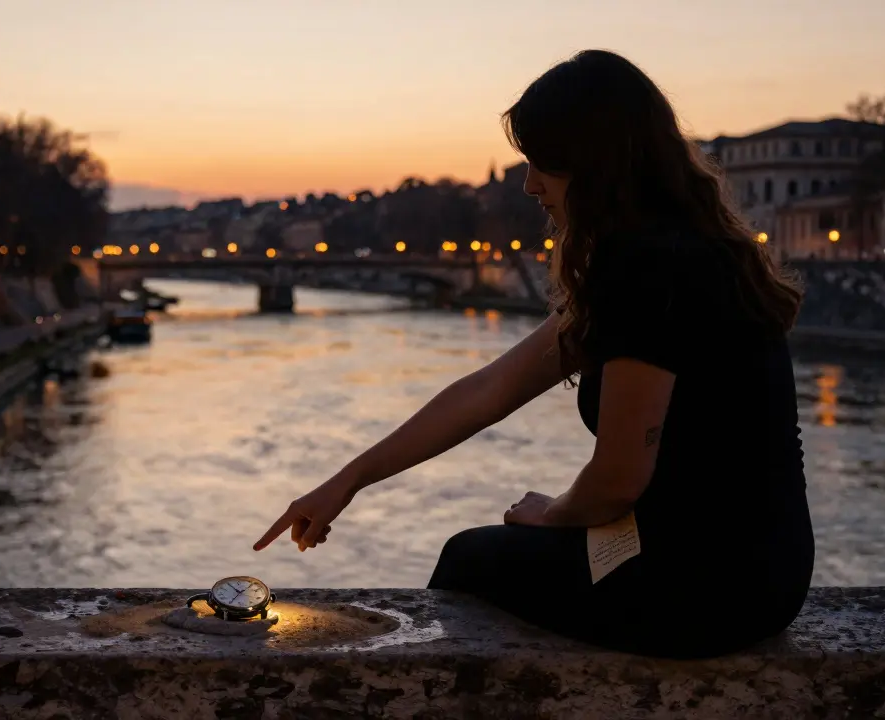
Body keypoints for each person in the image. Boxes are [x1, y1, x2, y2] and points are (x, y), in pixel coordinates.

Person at [254, 50, 813, 660]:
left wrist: (555, 514)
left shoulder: (649, 268)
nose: (529, 184)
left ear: (594, 162)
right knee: (489, 556)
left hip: (704, 583)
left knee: (470, 560)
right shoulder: (692, 253)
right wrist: (349, 480)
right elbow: (488, 391)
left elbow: (619, 479)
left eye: (543, 162)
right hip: (763, 569)